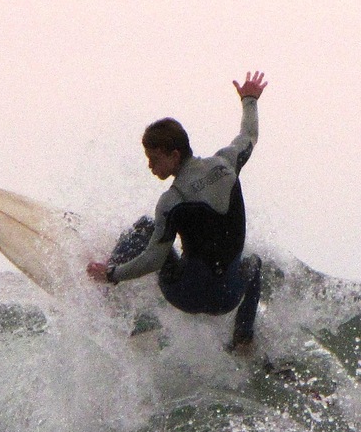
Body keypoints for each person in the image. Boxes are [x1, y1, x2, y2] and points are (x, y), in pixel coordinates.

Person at [86, 71, 268, 353]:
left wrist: (113, 273)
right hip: (228, 298)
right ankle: (243, 340)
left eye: (154, 159)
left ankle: (104, 281)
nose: (150, 166)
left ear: (174, 155)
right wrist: (249, 99)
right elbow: (249, 135)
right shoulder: (228, 163)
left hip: (184, 295)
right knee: (253, 264)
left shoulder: (172, 200)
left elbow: (154, 259)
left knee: (146, 228)